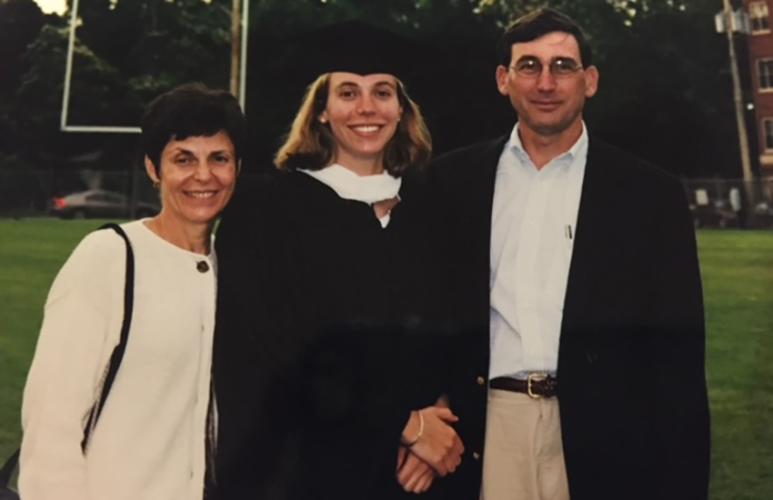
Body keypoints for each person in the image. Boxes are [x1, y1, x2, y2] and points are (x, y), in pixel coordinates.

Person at [429, 8, 710, 500]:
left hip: (608, 431)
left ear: (590, 80)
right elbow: (421, 316)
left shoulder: (650, 194)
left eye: (562, 66)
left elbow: (678, 359)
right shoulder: (450, 183)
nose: (546, 82)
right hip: (492, 426)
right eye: (529, 65)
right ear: (503, 79)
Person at [213, 21, 463, 500]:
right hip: (307, 475)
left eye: (382, 92)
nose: (366, 108)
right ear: (322, 111)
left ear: (401, 109)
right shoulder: (267, 212)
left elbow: (455, 331)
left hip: (414, 481)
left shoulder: (434, 209)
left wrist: (438, 428)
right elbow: (274, 355)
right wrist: (406, 426)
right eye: (348, 93)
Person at [19, 83, 246, 500]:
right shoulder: (108, 257)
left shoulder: (236, 268)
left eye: (219, 158)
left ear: (237, 168)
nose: (203, 176)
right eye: (183, 159)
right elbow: (51, 425)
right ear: (153, 169)